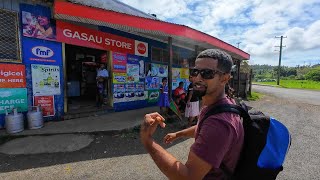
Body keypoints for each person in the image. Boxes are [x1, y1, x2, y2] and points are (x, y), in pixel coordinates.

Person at [140, 49, 244, 179]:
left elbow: (188, 177)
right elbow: (203, 126)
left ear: (224, 78)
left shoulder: (219, 123)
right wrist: (179, 134)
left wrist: (147, 141)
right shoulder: (219, 105)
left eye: (207, 73)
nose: (198, 78)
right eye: (195, 71)